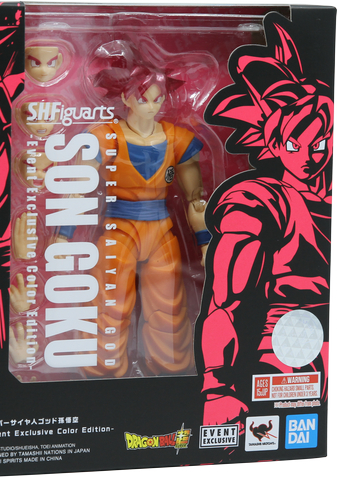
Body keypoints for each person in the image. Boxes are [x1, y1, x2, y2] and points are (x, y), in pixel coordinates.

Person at [198, 22, 333, 426]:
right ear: (274, 143)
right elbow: (226, 300)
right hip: (288, 348)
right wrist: (217, 386)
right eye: (294, 144)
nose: (308, 156)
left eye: (319, 143)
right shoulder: (259, 200)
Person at [58, 40, 210, 378]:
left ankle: (170, 372)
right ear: (125, 98)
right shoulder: (105, 136)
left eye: (158, 99)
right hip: (118, 229)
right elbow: (76, 188)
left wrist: (204, 243)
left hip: (161, 229)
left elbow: (196, 200)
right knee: (109, 304)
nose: (152, 106)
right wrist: (63, 235)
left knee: (168, 306)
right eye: (144, 99)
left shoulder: (177, 139)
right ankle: (102, 372)